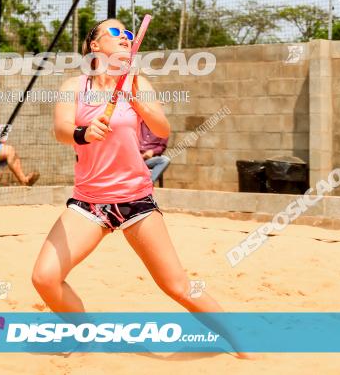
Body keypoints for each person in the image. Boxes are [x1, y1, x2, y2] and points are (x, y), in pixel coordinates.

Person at [31, 19, 250, 358]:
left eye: (129, 36)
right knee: (45, 278)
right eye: (116, 33)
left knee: (177, 286)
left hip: (135, 200)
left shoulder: (137, 82)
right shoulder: (75, 85)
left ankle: (241, 343)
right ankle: (85, 335)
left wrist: (136, 100)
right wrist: (84, 132)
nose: (125, 39)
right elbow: (61, 129)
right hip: (89, 202)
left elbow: (162, 129)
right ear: (94, 45)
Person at [140, 119, 170, 186]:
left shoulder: (163, 128)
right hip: (133, 158)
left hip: (148, 159)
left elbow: (162, 147)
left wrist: (152, 151)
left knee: (165, 160)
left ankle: (148, 184)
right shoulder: (138, 123)